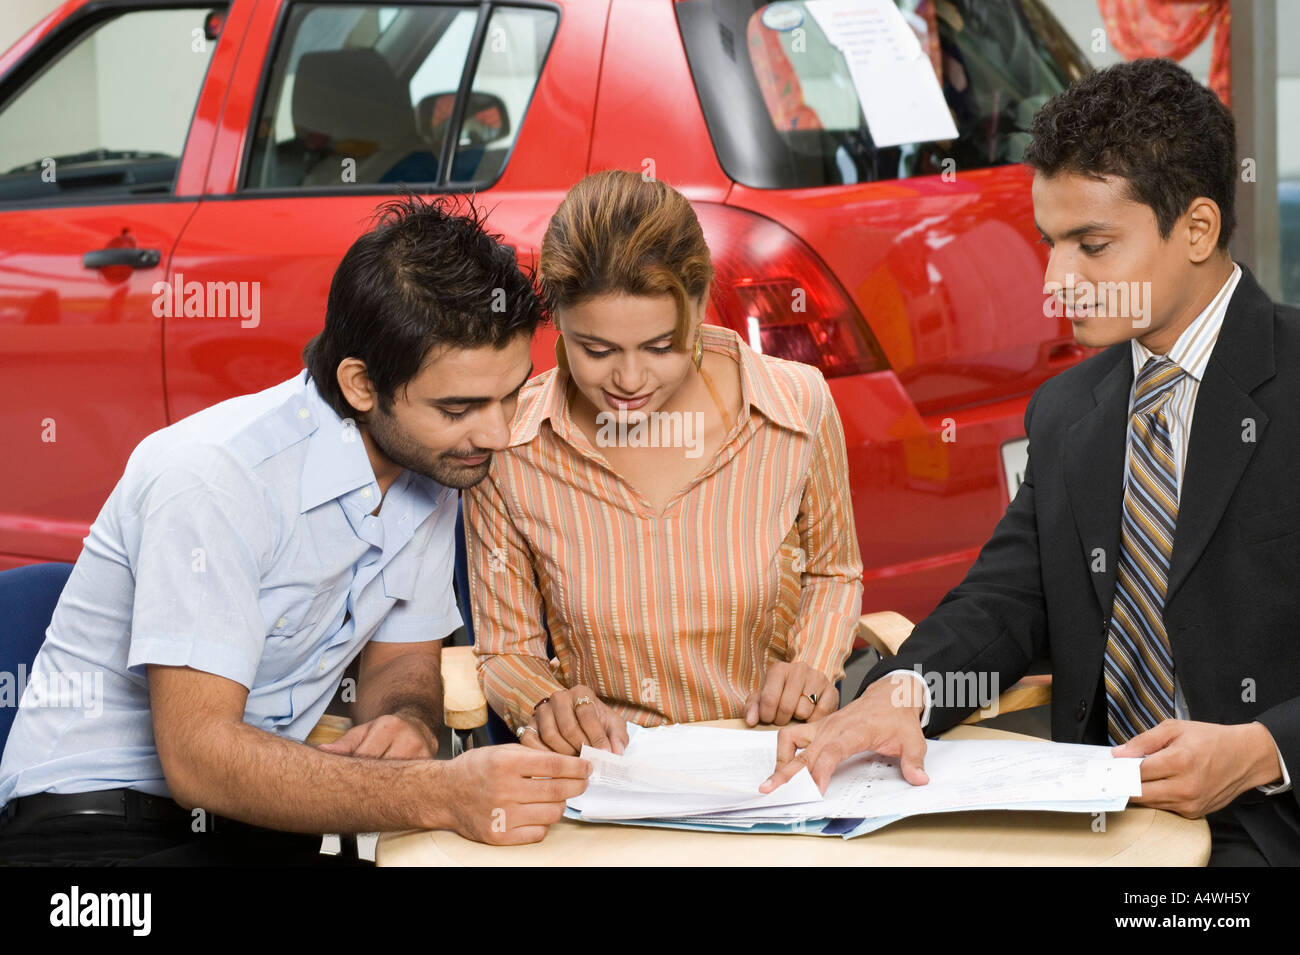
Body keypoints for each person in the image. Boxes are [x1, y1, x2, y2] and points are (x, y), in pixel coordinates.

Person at [762, 58, 1299, 866]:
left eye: (1092, 246)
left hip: (1267, 822)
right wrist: (901, 692)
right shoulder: (1068, 412)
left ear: (1196, 228)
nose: (1057, 281)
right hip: (1097, 813)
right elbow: (1009, 598)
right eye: (1050, 245)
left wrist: (1261, 749)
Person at [0, 195, 589, 865]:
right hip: (94, 832)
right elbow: (200, 761)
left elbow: (402, 659)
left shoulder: (434, 464)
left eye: (511, 395)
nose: (497, 432)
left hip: (255, 823)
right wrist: (437, 792)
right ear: (363, 385)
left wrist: (406, 718)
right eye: (460, 407)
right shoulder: (213, 477)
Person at [463, 170, 863, 755]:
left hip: (769, 761)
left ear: (699, 304)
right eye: (595, 351)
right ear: (559, 322)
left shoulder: (796, 408)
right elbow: (505, 649)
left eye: (659, 347)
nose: (628, 381)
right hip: (610, 778)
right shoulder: (514, 444)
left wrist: (812, 666)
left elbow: (834, 572)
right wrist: (547, 704)